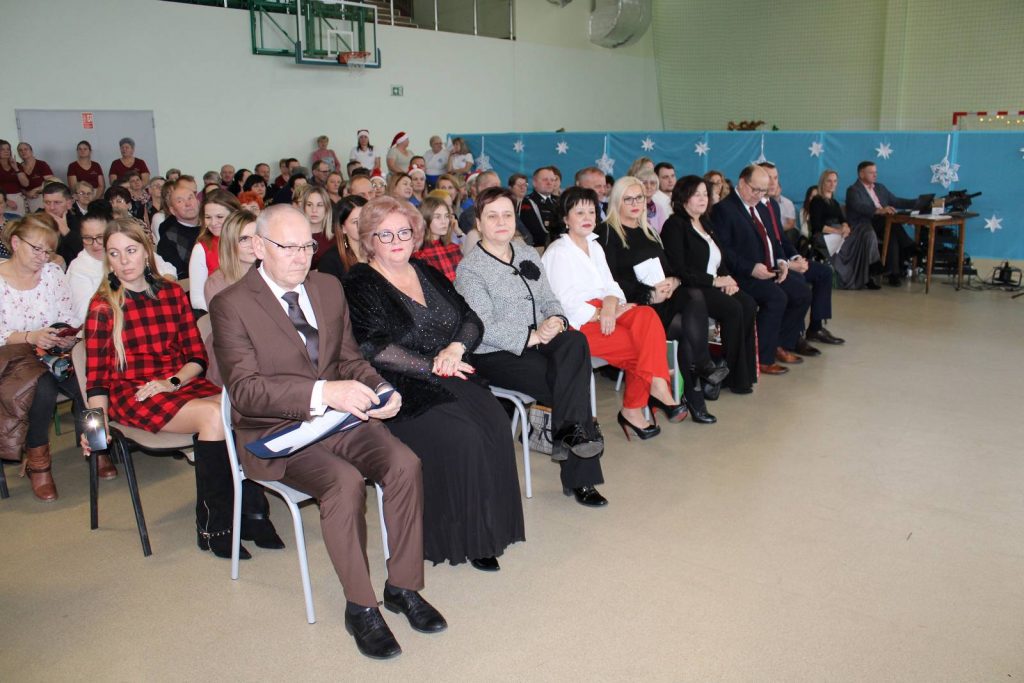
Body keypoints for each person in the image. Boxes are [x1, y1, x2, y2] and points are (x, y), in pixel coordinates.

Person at [211, 204, 446, 659]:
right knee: (344, 481)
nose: (301, 257)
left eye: (306, 246)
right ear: (258, 247)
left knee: (404, 464)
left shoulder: (327, 287)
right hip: (278, 433)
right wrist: (324, 392)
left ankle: (402, 587)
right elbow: (245, 392)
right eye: (287, 247)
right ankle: (361, 607)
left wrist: (380, 389)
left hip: (338, 419)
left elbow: (349, 358)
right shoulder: (231, 305)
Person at [345, 195, 525, 572]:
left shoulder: (424, 270)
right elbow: (373, 347)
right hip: (402, 387)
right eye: (385, 234)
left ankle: (492, 528)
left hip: (451, 371)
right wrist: (432, 366)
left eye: (404, 232)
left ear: (416, 235)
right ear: (369, 240)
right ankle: (462, 536)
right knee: (463, 437)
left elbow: (470, 317)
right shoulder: (360, 282)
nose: (397, 240)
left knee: (495, 423)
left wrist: (456, 349)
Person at [83, 217, 280, 559]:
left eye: (131, 250)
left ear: (147, 251)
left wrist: (172, 382)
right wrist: (95, 427)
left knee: (241, 404)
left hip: (177, 383)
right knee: (214, 416)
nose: (124, 261)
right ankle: (214, 524)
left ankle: (251, 512)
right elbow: (97, 378)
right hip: (134, 394)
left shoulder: (172, 293)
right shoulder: (103, 306)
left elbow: (196, 356)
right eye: (114, 254)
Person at [454, 187, 609, 506]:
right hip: (497, 353)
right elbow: (482, 326)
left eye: (507, 215)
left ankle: (570, 435)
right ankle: (581, 472)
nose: (501, 222)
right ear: (479, 224)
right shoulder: (470, 269)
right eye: (492, 216)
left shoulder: (526, 253)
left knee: (574, 340)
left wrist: (556, 320)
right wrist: (532, 337)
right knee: (569, 385)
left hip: (542, 338)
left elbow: (549, 298)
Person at [542, 186, 688, 441]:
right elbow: (563, 304)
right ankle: (639, 402)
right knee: (642, 348)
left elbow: (611, 285)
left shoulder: (594, 245)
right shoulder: (558, 252)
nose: (587, 218)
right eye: (579, 213)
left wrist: (611, 306)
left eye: (591, 212)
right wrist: (601, 313)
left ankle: (655, 386)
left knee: (646, 315)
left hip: (607, 308)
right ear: (565, 218)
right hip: (577, 324)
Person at [596, 177, 722, 424]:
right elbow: (610, 281)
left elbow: (669, 267)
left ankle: (696, 380)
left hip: (663, 300)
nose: (635, 204)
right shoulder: (606, 233)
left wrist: (673, 281)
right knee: (688, 327)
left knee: (692, 302)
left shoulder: (649, 231)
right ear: (616, 201)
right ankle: (698, 384)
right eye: (628, 199)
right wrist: (648, 293)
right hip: (635, 307)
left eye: (640, 198)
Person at [1, 214, 94, 501]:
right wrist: (30, 336)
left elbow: (67, 314)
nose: (42, 257)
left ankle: (95, 444)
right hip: (12, 356)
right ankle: (38, 463)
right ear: (16, 243)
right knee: (41, 387)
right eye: (37, 249)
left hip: (51, 350)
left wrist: (66, 334)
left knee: (88, 376)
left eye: (48, 251)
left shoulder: (52, 273)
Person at [711, 165, 812, 375]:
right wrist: (750, 268)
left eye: (763, 191)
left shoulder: (762, 207)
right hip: (741, 274)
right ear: (742, 183)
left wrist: (782, 262)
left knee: (802, 292)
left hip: (768, 270)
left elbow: (774, 241)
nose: (758, 195)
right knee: (776, 298)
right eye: (755, 189)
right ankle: (764, 358)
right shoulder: (724, 209)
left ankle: (779, 344)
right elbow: (723, 250)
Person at [660, 176, 757, 395]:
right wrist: (714, 281)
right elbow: (678, 268)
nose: (703, 199)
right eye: (697, 194)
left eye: (705, 194)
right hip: (691, 288)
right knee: (733, 309)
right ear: (683, 198)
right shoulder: (675, 225)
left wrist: (728, 279)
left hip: (714, 282)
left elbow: (720, 259)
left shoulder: (706, 222)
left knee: (748, 304)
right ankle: (732, 376)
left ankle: (741, 371)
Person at [759, 165, 844, 350]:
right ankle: (794, 336)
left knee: (824, 272)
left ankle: (816, 328)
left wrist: (797, 257)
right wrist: (788, 264)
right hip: (769, 266)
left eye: (775, 177)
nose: (773, 182)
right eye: (768, 177)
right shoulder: (754, 208)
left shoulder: (772, 205)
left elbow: (781, 240)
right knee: (798, 283)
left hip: (783, 259)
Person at [68, 202, 175, 325]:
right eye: (87, 238)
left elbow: (168, 269)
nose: (95, 244)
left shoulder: (126, 248)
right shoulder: (79, 267)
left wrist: (162, 288)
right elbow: (85, 314)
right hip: (114, 323)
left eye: (100, 237)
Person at [845, 161, 917, 286]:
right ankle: (908, 247)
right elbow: (859, 207)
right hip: (864, 224)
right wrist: (879, 210)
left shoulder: (880, 188)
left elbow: (896, 201)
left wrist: (918, 203)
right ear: (861, 174)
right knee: (890, 223)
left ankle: (894, 274)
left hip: (883, 223)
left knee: (891, 234)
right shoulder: (853, 190)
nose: (875, 175)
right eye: (871, 172)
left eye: (876, 172)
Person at [810, 169, 881, 290]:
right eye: (829, 181)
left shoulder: (835, 203)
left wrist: (845, 227)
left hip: (838, 233)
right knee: (856, 240)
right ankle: (863, 275)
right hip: (823, 235)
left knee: (864, 235)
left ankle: (868, 274)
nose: (832, 184)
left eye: (835, 181)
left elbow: (843, 220)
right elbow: (817, 226)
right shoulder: (817, 201)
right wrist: (838, 231)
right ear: (823, 182)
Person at [189, 190, 241, 311]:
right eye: (208, 217)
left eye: (219, 217)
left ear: (235, 214)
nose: (213, 223)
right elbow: (197, 299)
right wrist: (224, 314)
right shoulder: (201, 249)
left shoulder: (250, 241)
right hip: (221, 313)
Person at [204, 209, 258, 306]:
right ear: (229, 244)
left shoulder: (274, 273)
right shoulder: (216, 284)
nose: (253, 244)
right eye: (244, 239)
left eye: (257, 237)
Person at [157, 177, 201, 279]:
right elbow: (180, 277)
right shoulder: (168, 240)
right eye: (180, 201)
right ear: (172, 210)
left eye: (190, 198)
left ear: (198, 202)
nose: (188, 204)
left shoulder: (212, 227)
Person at [411, 196, 461, 281]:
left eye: (446, 216)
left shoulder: (454, 248)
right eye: (437, 217)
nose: (444, 221)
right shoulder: (418, 254)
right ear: (425, 220)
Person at [317, 196, 366, 282]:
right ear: (343, 228)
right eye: (355, 222)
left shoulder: (379, 251)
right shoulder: (330, 261)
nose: (363, 225)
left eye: (366, 219)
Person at [41, 182, 83, 265]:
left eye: (57, 202)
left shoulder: (80, 223)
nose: (52, 207)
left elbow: (86, 252)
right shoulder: (35, 222)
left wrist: (67, 232)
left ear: (69, 204)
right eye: (47, 202)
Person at [293, 184, 334, 268]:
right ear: (303, 208)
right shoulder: (292, 235)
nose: (314, 210)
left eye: (319, 205)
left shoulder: (336, 238)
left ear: (327, 209)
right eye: (309, 205)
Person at [519, 166, 561, 243]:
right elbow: (534, 229)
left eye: (552, 180)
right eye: (545, 180)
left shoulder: (559, 201)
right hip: (539, 246)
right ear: (534, 183)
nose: (549, 183)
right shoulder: (527, 202)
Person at [16, 142, 53, 212]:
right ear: (18, 153)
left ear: (31, 151)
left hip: (42, 197)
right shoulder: (18, 167)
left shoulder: (41, 164)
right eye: (20, 150)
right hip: (25, 200)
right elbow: (19, 186)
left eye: (26, 149)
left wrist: (35, 190)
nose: (23, 152)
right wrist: (27, 193)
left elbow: (51, 182)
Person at [0, 139, 30, 214]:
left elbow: (25, 184)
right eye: (2, 149)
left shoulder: (17, 164)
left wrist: (16, 168)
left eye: (8, 149)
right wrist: (6, 200)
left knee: (21, 220)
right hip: (2, 200)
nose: (6, 151)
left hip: (18, 198)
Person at [638, 169, 668, 234]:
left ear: (656, 186)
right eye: (644, 183)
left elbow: (664, 232)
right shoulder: (633, 205)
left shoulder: (659, 208)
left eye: (652, 183)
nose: (648, 186)